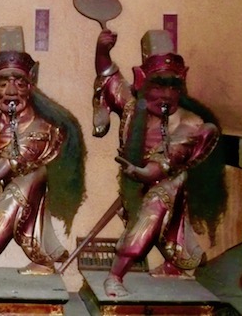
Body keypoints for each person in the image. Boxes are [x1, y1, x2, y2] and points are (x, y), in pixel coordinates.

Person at [92, 28, 226, 297]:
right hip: (138, 181)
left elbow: (164, 164)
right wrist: (102, 50)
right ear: (142, 83)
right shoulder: (133, 106)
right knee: (158, 225)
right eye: (158, 86)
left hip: (168, 181)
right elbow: (108, 76)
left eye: (173, 87)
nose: (166, 95)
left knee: (153, 210)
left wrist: (141, 173)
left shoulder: (190, 122)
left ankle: (115, 276)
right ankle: (173, 265)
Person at [0, 26, 86, 293]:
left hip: (30, 177)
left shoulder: (41, 125)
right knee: (25, 223)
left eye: (20, 83)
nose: (11, 91)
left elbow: (10, 161)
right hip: (6, 180)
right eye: (3, 83)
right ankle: (43, 260)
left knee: (14, 199)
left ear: (30, 86)